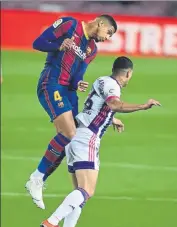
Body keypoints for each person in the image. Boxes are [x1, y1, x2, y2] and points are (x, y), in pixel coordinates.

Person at [40, 56, 161, 227]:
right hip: (87, 138)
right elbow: (114, 103)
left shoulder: (102, 80)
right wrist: (142, 106)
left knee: (80, 193)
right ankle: (52, 221)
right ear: (128, 73)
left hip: (76, 134)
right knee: (87, 191)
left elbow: (94, 107)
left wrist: (111, 119)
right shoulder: (114, 87)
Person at [25, 15, 117, 210]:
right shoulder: (69, 24)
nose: (107, 38)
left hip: (68, 91)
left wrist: (78, 83)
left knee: (72, 139)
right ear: (100, 23)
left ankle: (42, 179)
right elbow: (38, 42)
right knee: (68, 132)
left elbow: (77, 76)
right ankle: (36, 178)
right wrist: (59, 44)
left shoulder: (92, 50)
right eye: (108, 32)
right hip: (51, 83)